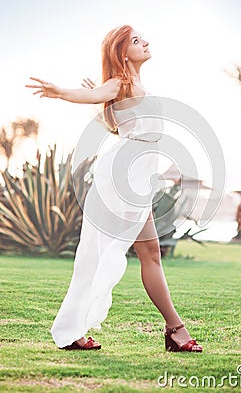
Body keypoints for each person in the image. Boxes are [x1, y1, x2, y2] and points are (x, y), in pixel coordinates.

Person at [26, 25, 202, 352]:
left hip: (134, 175)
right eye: (136, 41)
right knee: (139, 253)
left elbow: (119, 125)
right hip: (126, 177)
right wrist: (61, 92)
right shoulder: (119, 82)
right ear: (123, 53)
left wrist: (104, 104)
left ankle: (74, 329)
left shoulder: (131, 86)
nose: (146, 42)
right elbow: (92, 95)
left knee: (140, 253)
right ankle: (175, 329)